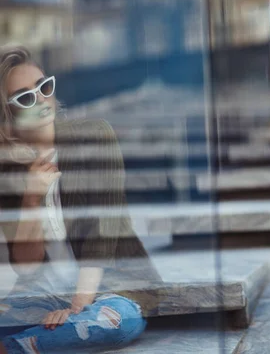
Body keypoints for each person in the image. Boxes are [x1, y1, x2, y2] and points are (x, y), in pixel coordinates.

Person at [0, 45, 162, 353]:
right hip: (42, 294)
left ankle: (13, 348)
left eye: (43, 87)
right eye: (25, 97)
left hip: (109, 289)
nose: (41, 100)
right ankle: (46, 338)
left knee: (114, 321)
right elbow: (27, 266)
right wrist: (31, 198)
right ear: (7, 113)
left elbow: (104, 231)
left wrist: (77, 308)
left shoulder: (93, 136)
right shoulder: (8, 169)